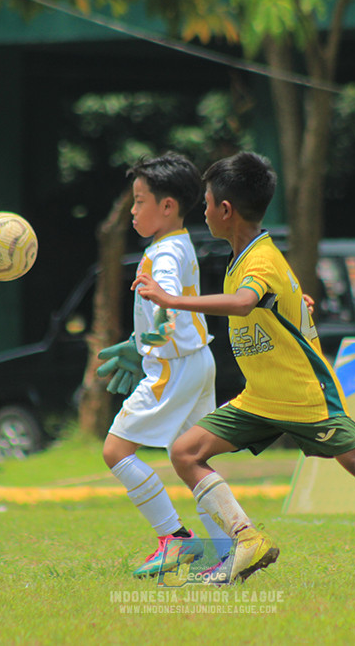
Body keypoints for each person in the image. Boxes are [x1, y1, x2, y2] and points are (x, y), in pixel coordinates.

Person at [133, 151, 355, 586]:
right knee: (185, 452)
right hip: (260, 397)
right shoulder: (243, 255)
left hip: (303, 395)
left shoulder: (260, 260)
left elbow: (246, 302)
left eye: (207, 203)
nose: (203, 212)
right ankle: (247, 540)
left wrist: (171, 300)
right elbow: (271, 304)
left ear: (225, 210)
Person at [96, 152, 232, 579]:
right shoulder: (177, 244)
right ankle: (225, 551)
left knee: (116, 451)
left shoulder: (163, 256)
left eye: (139, 201)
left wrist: (149, 345)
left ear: (167, 206)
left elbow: (168, 306)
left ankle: (174, 538)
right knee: (192, 458)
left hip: (174, 368)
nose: (133, 211)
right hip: (198, 360)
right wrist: (141, 343)